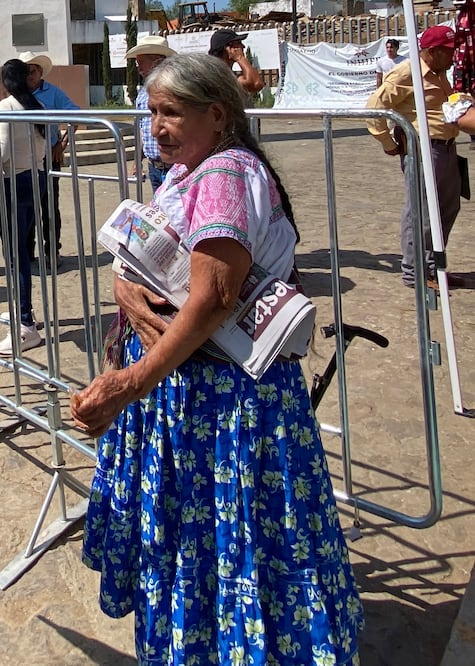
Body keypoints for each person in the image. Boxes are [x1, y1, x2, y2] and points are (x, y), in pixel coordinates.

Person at [70, 53, 364, 665]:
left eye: (173, 113)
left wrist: (130, 383)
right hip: (193, 396)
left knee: (229, 540)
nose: (158, 126)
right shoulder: (186, 172)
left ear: (218, 114)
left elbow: (212, 297)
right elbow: (151, 261)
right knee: (209, 540)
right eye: (152, 112)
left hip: (223, 403)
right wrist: (124, 288)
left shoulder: (226, 173)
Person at [366, 24, 463, 289]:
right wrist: (387, 142)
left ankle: (433, 267)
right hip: (423, 149)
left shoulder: (439, 71)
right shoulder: (407, 73)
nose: (453, 56)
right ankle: (415, 272)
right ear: (432, 51)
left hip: (446, 147)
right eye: (448, 51)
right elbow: (374, 107)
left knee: (447, 207)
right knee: (420, 213)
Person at [0, 59, 47, 356]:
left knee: (15, 254)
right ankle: (23, 310)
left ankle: (24, 326)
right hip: (36, 179)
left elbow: (2, 154)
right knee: (21, 250)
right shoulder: (35, 105)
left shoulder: (6, 107)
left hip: (15, 182)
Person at [21, 50, 79, 271]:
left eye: (33, 70)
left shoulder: (53, 93)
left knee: (49, 207)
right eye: (26, 71)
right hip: (24, 159)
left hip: (46, 158)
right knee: (27, 206)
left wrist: (62, 143)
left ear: (40, 71)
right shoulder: (18, 95)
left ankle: (52, 250)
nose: (29, 75)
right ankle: (27, 251)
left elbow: (75, 115)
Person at [127, 36, 176, 194]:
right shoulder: (142, 93)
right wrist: (137, 159)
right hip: (154, 166)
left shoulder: (175, 88)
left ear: (155, 61)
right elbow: (142, 129)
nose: (137, 65)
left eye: (141, 61)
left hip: (175, 165)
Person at [208, 29, 264, 94]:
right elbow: (255, 84)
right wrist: (240, 58)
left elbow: (257, 84)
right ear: (227, 48)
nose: (243, 46)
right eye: (238, 43)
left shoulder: (227, 74)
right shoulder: (217, 75)